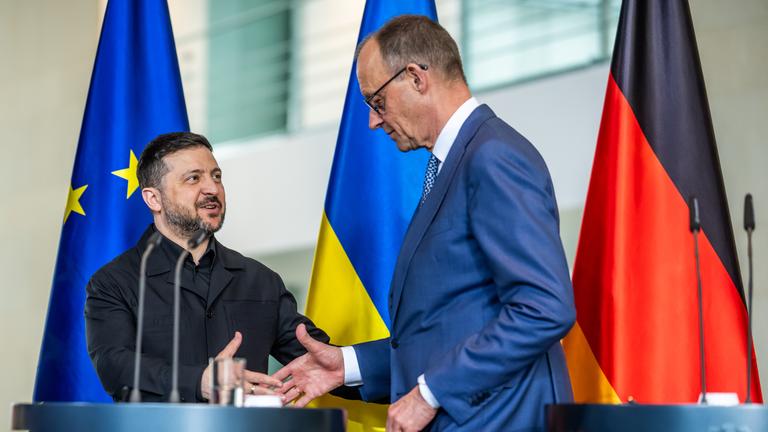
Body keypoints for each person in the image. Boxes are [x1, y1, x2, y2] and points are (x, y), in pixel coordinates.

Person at [273, 15, 576, 431]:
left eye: (377, 102)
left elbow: (544, 308)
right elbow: (447, 328)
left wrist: (431, 391)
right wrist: (346, 364)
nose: (373, 122)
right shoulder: (453, 164)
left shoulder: (493, 157)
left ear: (416, 78)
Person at [85, 132, 329, 402]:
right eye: (194, 178)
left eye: (216, 176)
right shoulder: (113, 282)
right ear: (154, 199)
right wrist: (200, 381)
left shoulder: (261, 280)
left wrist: (366, 365)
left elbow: (322, 360)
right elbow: (114, 365)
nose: (212, 189)